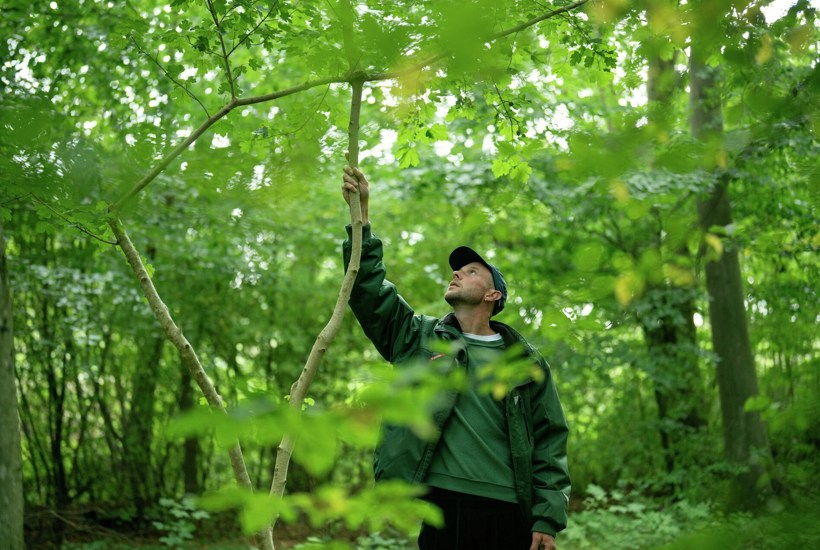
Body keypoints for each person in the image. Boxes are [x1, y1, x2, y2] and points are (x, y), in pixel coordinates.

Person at [341, 165, 570, 550]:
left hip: (508, 510)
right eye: (456, 270)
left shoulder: (525, 363)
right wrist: (360, 215)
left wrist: (547, 516)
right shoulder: (418, 337)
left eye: (471, 271)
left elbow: (549, 441)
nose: (457, 274)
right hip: (443, 505)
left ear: (493, 295)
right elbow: (367, 289)